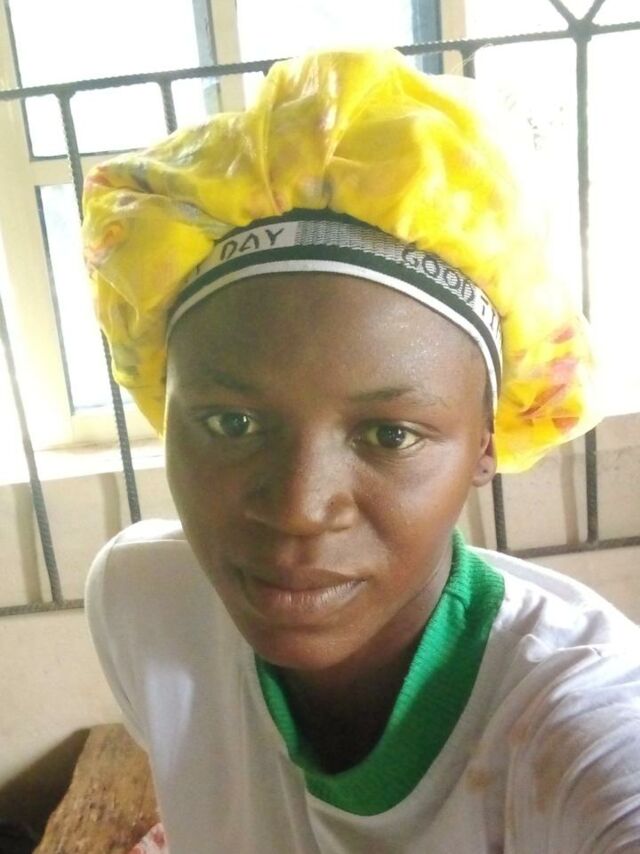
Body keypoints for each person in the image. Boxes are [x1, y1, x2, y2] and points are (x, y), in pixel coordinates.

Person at [82, 49, 640, 853]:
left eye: (390, 434)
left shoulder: (578, 719)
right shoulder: (147, 605)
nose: (299, 508)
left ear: (485, 445)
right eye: (232, 424)